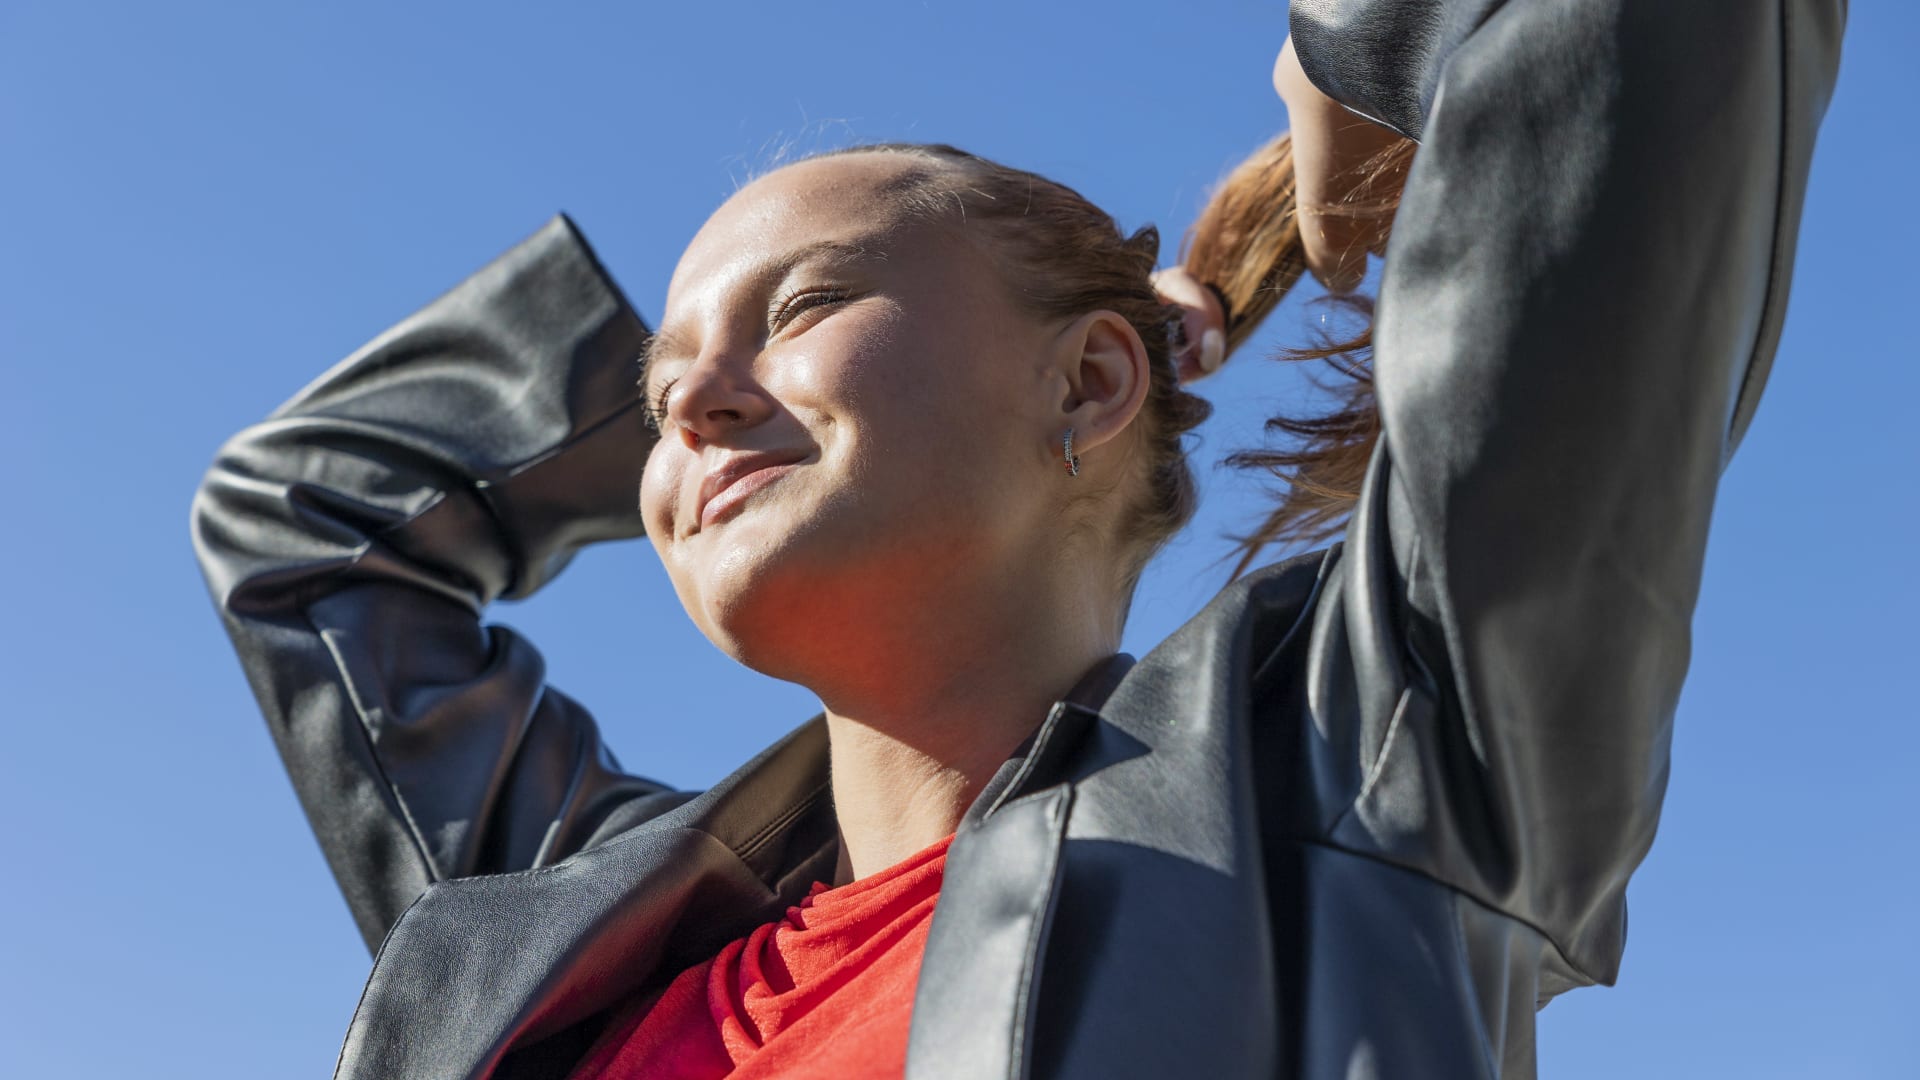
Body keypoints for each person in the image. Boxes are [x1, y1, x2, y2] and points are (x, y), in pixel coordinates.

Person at [190, 2, 1846, 1077]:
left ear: (1092, 382)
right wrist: (740, 410)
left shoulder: (1348, 772)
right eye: (654, 382)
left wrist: (1367, 37)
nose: (689, 399)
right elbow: (299, 520)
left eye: (809, 305)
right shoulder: (556, 931)